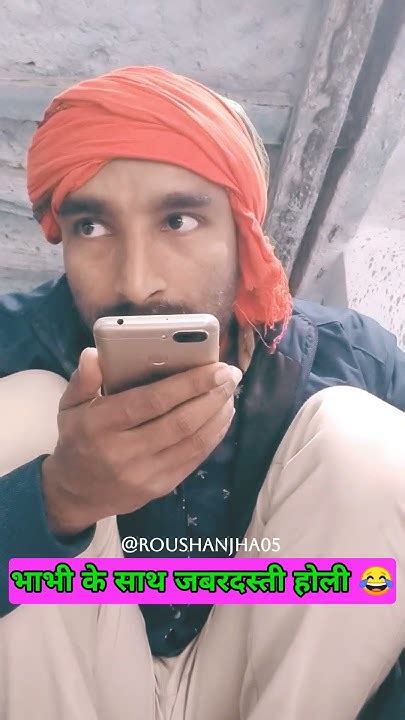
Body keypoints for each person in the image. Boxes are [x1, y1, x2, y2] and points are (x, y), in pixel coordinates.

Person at [0, 66, 404, 720]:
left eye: (179, 220)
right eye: (91, 227)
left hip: (280, 684)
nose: (138, 282)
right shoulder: (11, 344)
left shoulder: (353, 358)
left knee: (368, 442)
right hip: (70, 676)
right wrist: (55, 499)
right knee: (18, 414)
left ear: (243, 230)